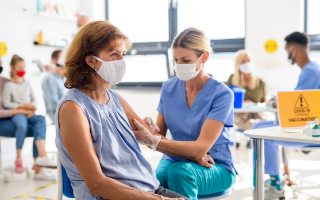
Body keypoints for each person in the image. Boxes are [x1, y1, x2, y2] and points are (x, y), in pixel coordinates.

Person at [55, 21, 215, 200]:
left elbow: (152, 138)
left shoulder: (114, 98)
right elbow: (96, 184)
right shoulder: (73, 108)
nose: (121, 61)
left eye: (123, 54)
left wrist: (192, 157)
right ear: (90, 60)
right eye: (114, 54)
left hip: (147, 189)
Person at [139, 28, 237, 200]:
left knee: (180, 173)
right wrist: (149, 130)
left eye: (186, 60)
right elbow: (157, 137)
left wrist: (154, 139)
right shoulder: (168, 88)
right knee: (153, 181)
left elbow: (201, 149)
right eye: (176, 60)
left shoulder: (222, 94)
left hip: (215, 164)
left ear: (204, 57)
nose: (179, 66)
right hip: (174, 159)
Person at [259, 32, 320, 200]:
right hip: (307, 128)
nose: (287, 55)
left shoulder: (310, 71)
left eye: (287, 51)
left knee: (263, 134)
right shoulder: (311, 70)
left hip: (310, 132)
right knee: (259, 128)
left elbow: (297, 104)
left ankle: (275, 184)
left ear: (293, 49)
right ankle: (273, 178)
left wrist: (276, 102)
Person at [0, 55, 56, 180]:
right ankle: (19, 158)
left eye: (23, 68)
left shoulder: (21, 83)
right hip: (16, 115)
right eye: (19, 68)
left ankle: (41, 159)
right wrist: (23, 108)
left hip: (26, 112)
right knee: (23, 125)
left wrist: (32, 108)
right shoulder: (8, 84)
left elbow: (34, 99)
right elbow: (6, 104)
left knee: (40, 120)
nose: (22, 70)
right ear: (12, 68)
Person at [225, 50, 267, 131]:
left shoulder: (260, 82)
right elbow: (226, 100)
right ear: (238, 64)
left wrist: (254, 104)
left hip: (258, 115)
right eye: (243, 61)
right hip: (240, 117)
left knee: (264, 125)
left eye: (249, 60)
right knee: (256, 127)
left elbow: (265, 103)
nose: (247, 63)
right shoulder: (232, 80)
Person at [42, 50, 66, 123]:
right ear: (54, 61)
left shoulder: (64, 77)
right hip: (58, 115)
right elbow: (53, 104)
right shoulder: (50, 79)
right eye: (62, 58)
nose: (64, 61)